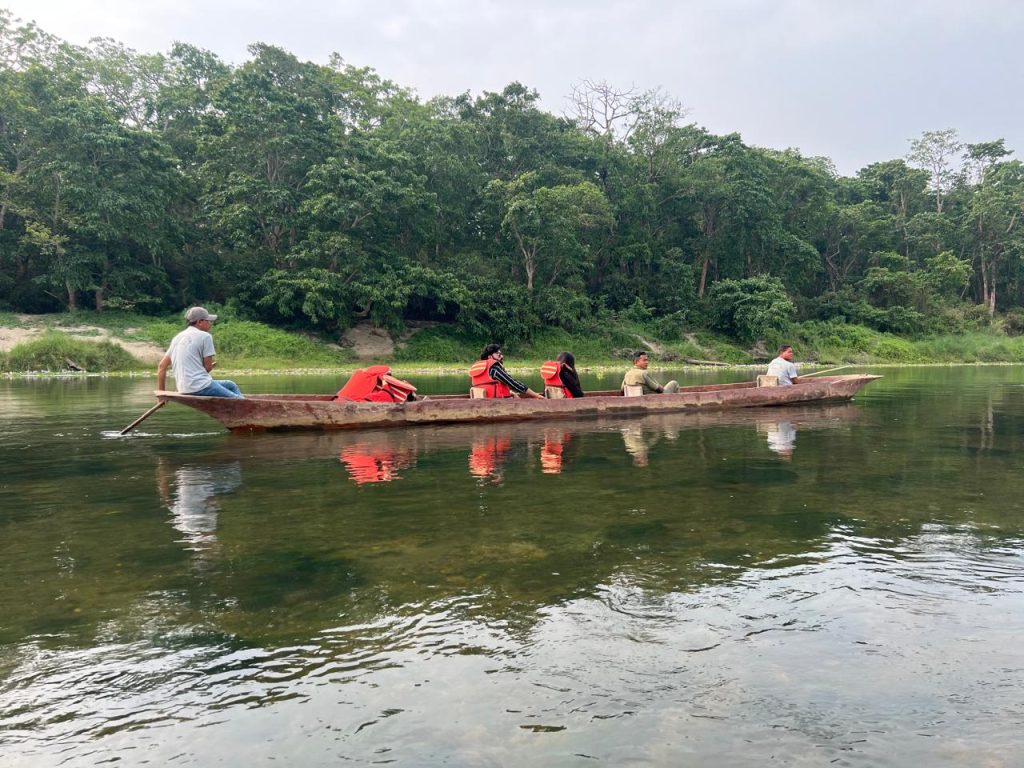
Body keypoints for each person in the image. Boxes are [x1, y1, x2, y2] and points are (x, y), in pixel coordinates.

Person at [156, 307, 243, 398]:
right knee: (239, 400)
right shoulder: (205, 336)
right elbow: (208, 367)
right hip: (201, 386)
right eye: (208, 321)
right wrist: (207, 368)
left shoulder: (178, 337)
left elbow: (162, 366)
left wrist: (161, 394)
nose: (210, 323)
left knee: (230, 384)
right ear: (200, 322)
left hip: (183, 388)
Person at [469, 344, 544, 399]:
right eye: (498, 354)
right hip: (495, 403)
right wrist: (535, 395)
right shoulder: (494, 369)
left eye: (501, 354)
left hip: (486, 401)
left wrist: (511, 393)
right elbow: (513, 384)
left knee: (513, 396)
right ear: (490, 357)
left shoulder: (482, 368)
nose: (502, 356)